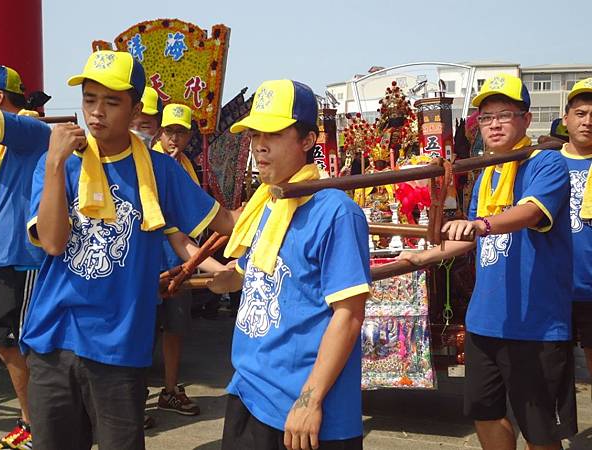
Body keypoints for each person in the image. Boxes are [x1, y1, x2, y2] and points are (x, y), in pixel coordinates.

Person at [19, 50, 236, 450]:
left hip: (118, 346)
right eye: (89, 99)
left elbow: (224, 223)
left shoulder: (160, 171)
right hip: (53, 340)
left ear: (136, 108)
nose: (96, 112)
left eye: (112, 101)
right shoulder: (60, 165)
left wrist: (281, 205)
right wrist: (52, 164)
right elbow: (52, 242)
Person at [399, 73, 577, 450]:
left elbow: (529, 213)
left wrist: (479, 224)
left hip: (536, 324)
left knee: (540, 429)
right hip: (485, 321)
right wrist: (422, 256)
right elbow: (468, 240)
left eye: (505, 114)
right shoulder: (487, 174)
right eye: (486, 117)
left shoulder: (546, 164)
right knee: (485, 412)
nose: (494, 124)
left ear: (526, 119)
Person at [209, 79, 371, 450]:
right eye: (254, 135)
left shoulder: (334, 212)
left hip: (302, 411)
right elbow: (255, 273)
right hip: (248, 390)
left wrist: (310, 400)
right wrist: (222, 279)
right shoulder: (267, 203)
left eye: (275, 133)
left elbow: (348, 316)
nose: (259, 145)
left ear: (308, 140)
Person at [0, 65, 50, 450]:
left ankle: (39, 426)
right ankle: (33, 422)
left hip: (22, 257)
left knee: (23, 343)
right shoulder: (1, 145)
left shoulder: (29, 129)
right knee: (6, 342)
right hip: (1, 258)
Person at [153, 103, 216, 416]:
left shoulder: (187, 164)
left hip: (181, 260)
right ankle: (132, 398)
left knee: (175, 329)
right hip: (151, 264)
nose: (175, 138)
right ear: (160, 132)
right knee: (142, 332)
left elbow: (190, 223)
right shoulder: (148, 162)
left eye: (181, 131)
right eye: (170, 131)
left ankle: (170, 389)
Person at [560, 77, 592, 383]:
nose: (587, 121)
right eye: (581, 114)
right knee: (551, 370)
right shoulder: (545, 164)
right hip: (553, 287)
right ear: (566, 118)